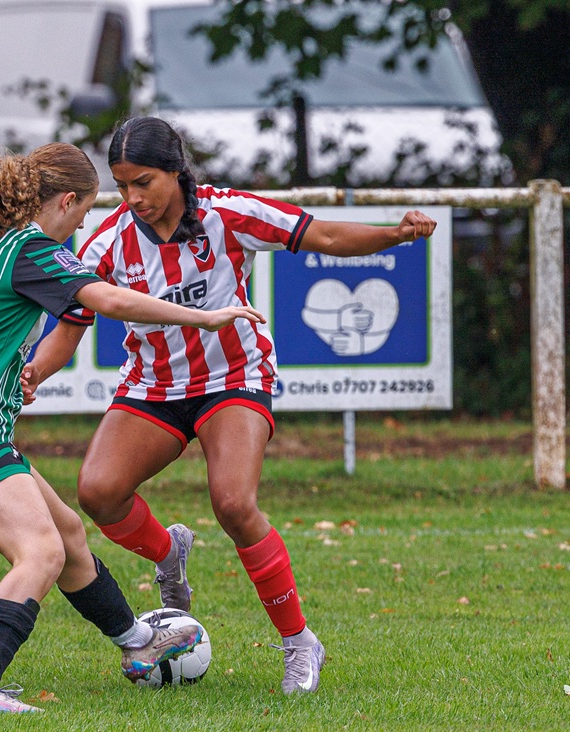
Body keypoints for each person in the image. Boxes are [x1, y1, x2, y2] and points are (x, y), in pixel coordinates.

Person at [23, 116, 438, 695]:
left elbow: (321, 236)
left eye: (143, 182)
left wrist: (394, 234)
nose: (133, 198)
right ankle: (169, 552)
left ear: (175, 171)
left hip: (233, 379)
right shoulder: (108, 243)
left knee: (234, 504)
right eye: (121, 186)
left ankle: (300, 642)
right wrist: (33, 373)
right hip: (153, 388)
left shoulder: (226, 214)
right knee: (99, 492)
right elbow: (69, 329)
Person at [0, 142, 266, 713]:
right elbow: (111, 301)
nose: (83, 225)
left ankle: (138, 642)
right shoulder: (31, 249)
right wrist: (205, 316)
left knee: (69, 535)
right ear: (67, 201)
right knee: (41, 552)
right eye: (87, 210)